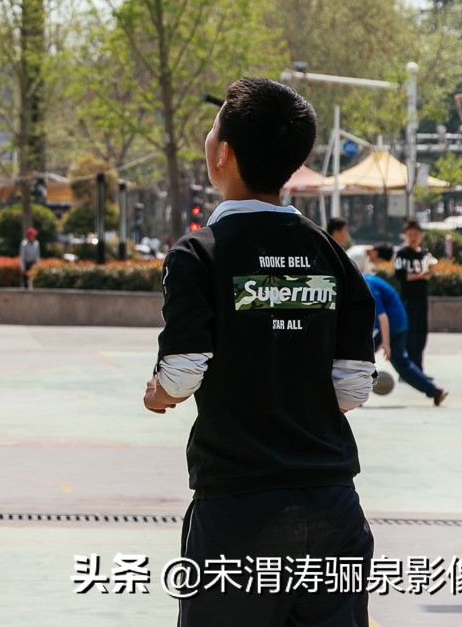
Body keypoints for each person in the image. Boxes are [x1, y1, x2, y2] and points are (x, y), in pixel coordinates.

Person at [143, 78, 377, 627]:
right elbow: (352, 388)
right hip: (332, 504)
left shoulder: (198, 253)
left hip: (237, 507)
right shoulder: (333, 255)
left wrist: (157, 396)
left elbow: (180, 375)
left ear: (222, 153)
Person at [352, 246, 448, 406]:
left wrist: (386, 344)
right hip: (400, 323)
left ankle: (354, 394)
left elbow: (382, 317)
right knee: (402, 364)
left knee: (360, 354)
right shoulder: (366, 279)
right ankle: (434, 390)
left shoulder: (366, 284)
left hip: (392, 324)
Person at [393, 219, 436, 370]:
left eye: (416, 234)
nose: (413, 237)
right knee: (409, 333)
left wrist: (429, 272)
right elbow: (401, 275)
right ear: (405, 235)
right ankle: (407, 369)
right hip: (408, 299)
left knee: (421, 334)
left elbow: (428, 274)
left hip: (421, 299)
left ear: (421, 235)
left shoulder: (425, 254)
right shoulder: (402, 254)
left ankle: (419, 367)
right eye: (410, 234)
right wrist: (420, 275)